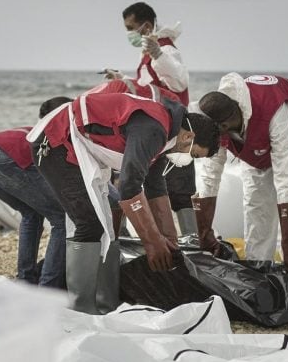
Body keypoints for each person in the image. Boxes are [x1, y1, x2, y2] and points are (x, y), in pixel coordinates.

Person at [27, 92, 219, 314]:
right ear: (188, 137)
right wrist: (151, 241)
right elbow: (128, 185)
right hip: (55, 143)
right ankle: (81, 311)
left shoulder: (166, 136)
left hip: (81, 150)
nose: (187, 160)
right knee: (89, 223)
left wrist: (168, 239)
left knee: (112, 221)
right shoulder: (155, 130)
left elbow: (155, 186)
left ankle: (106, 304)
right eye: (193, 154)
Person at [195, 73, 288, 272]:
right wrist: (204, 232)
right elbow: (209, 177)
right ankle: (258, 265)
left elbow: (287, 178)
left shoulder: (275, 112)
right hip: (252, 132)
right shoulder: (215, 121)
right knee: (256, 200)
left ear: (225, 126)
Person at [104, 2, 197, 236]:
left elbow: (179, 81)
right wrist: (122, 79)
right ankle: (164, 239)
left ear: (145, 26)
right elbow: (149, 88)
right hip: (158, 125)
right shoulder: (148, 52)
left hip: (172, 125)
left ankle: (190, 240)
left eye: (130, 27)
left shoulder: (165, 49)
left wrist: (157, 54)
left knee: (178, 186)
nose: (129, 33)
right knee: (150, 180)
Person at [0, 96, 71, 288]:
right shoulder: (58, 132)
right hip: (5, 158)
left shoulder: (31, 129)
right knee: (61, 217)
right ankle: (48, 287)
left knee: (31, 214)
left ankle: (26, 281)